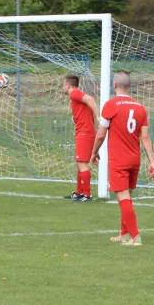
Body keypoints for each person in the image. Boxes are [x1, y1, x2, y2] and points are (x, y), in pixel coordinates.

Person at [91, 70, 154, 247]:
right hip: (135, 159)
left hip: (119, 159)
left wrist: (94, 152)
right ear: (130, 86)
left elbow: (101, 134)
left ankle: (135, 237)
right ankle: (124, 234)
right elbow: (146, 137)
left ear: (114, 85)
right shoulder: (140, 107)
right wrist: (152, 160)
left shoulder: (111, 105)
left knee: (123, 197)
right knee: (126, 197)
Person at [62, 75, 99, 202]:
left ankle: (87, 194)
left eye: (63, 84)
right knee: (79, 164)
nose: (63, 87)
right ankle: (79, 192)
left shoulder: (74, 93)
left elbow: (91, 99)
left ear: (68, 85)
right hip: (83, 132)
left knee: (82, 163)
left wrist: (98, 116)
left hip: (85, 133)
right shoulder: (75, 97)